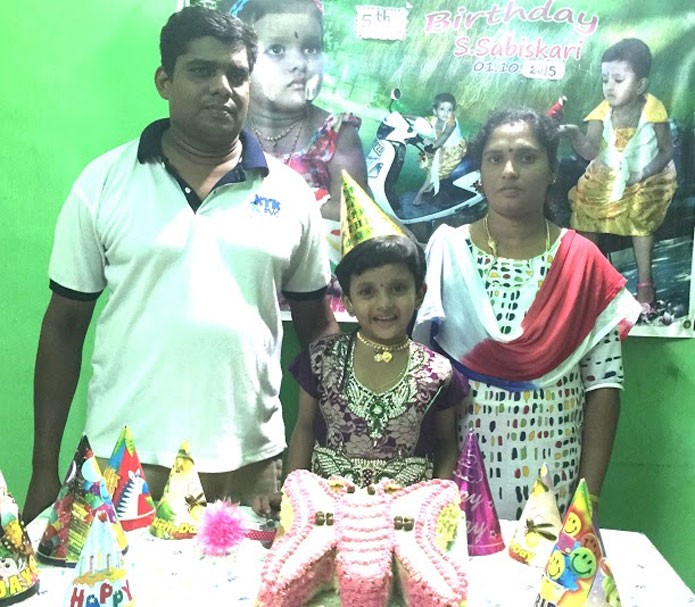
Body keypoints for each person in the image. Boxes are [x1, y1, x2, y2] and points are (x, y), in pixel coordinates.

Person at [23, 6, 339, 523]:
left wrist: (326, 454)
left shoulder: (290, 193)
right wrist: (43, 469)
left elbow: (318, 330)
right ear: (164, 81)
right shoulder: (103, 183)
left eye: (237, 74)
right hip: (126, 464)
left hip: (251, 470)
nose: (222, 87)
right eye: (201, 70)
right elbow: (63, 326)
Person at [413, 107, 642, 520]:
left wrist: (587, 503)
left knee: (543, 563)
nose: (510, 171)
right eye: (495, 158)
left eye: (526, 157)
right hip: (454, 480)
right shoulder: (446, 253)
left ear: (552, 170)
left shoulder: (583, 262)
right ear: (480, 172)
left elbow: (605, 386)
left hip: (553, 484)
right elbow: (420, 375)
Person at [253, 177, 466, 516]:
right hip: (327, 512)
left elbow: (446, 444)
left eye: (398, 288)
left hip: (405, 516)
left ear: (419, 294)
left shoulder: (438, 372)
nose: (384, 304)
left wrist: (436, 504)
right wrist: (293, 493)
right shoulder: (321, 360)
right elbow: (305, 428)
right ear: (349, 302)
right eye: (367, 292)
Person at [230, 0, 369, 313]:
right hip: (239, 298)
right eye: (277, 50)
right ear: (242, 61)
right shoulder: (226, 131)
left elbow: (356, 217)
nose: (299, 64)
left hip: (320, 303)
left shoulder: (338, 133)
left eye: (310, 48)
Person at [560, 38, 677, 314]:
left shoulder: (653, 110)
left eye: (618, 80)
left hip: (648, 174)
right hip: (606, 174)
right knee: (585, 211)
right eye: (605, 80)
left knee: (639, 214)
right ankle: (593, 280)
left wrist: (642, 173)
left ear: (640, 85)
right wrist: (575, 135)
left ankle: (645, 283)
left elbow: (666, 151)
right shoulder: (602, 112)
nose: (609, 87)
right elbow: (590, 151)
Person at [413, 92, 468, 207]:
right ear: (435, 111)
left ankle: (420, 193)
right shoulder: (433, 119)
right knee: (429, 166)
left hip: (451, 151)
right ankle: (430, 186)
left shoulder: (451, 123)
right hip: (439, 146)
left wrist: (433, 146)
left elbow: (444, 136)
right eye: (442, 109)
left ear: (453, 112)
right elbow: (418, 119)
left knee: (435, 171)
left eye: (449, 110)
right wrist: (401, 116)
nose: (446, 113)